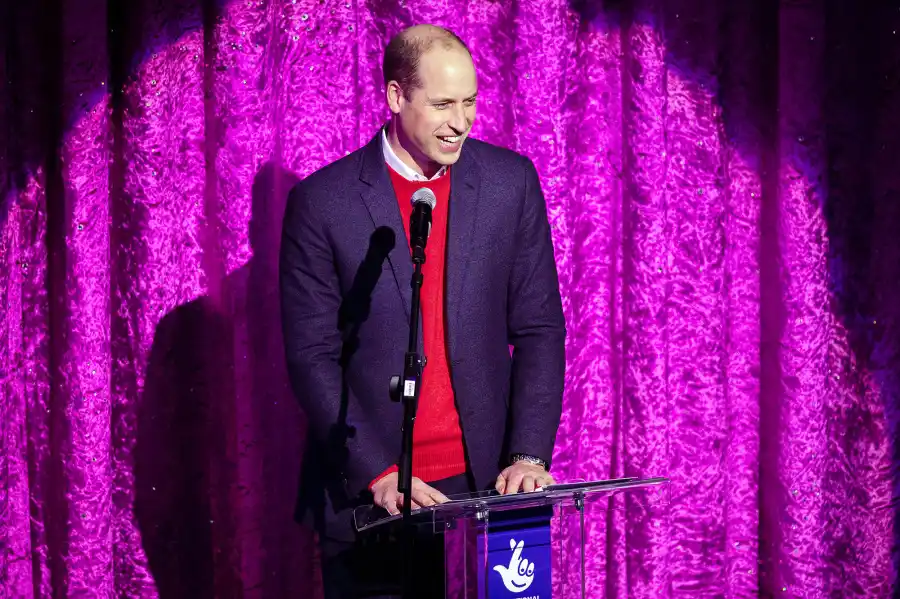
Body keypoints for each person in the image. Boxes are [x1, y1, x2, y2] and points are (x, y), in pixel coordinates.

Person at [279, 24, 566, 598]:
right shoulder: (323, 203)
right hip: (374, 491)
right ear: (395, 97)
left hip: (485, 489)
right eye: (441, 104)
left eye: (469, 103)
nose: (459, 121)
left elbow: (538, 327)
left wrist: (528, 453)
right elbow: (313, 355)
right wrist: (378, 470)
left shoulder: (510, 182)